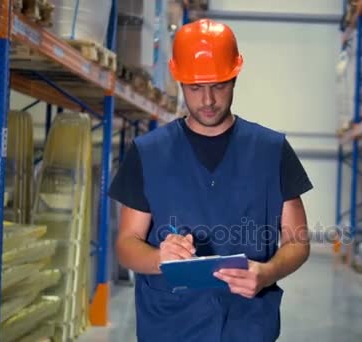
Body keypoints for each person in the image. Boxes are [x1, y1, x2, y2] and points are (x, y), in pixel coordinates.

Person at [109, 18, 313, 342]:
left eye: (218, 85)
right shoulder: (148, 153)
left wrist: (267, 273)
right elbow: (126, 244)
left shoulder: (272, 150)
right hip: (170, 326)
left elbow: (297, 241)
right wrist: (158, 258)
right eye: (195, 88)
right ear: (179, 81)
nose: (207, 100)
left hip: (247, 326)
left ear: (235, 77)